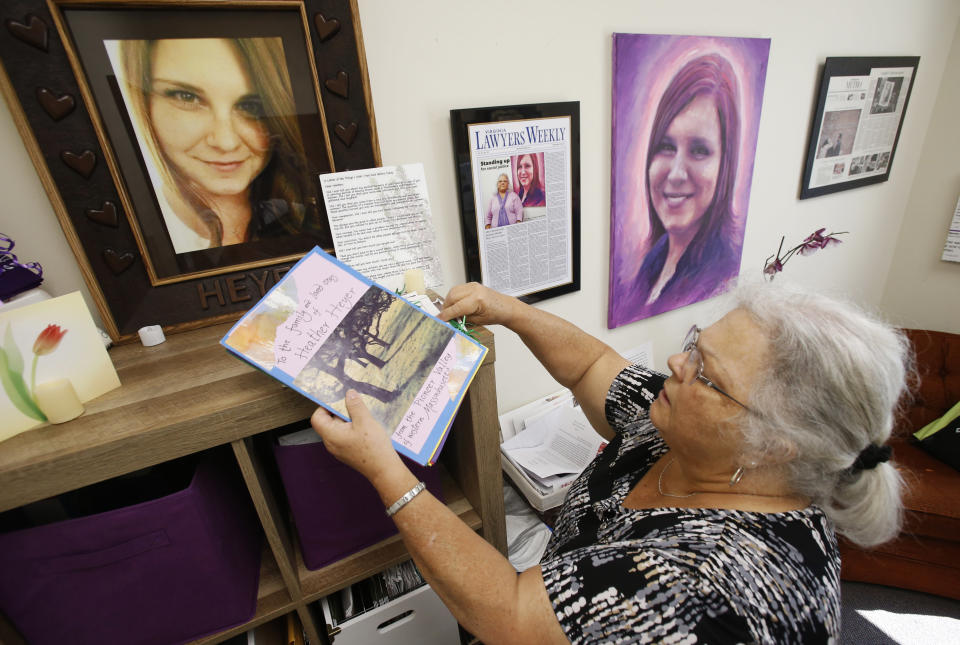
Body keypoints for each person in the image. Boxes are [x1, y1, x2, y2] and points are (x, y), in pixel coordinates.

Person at [311, 280, 911, 644]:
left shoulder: (710, 582)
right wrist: (510, 310)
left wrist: (389, 473)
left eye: (708, 374)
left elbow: (510, 615)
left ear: (775, 445)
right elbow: (592, 368)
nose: (678, 363)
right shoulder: (683, 425)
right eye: (696, 343)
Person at [118, 38, 320, 254]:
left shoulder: (309, 210)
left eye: (251, 106)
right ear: (143, 102)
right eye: (187, 97)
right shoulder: (133, 239)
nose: (226, 142)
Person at [624, 54, 743, 320]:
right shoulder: (656, 257)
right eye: (666, 147)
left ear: (726, 164)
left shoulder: (720, 277)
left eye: (699, 151)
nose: (676, 174)